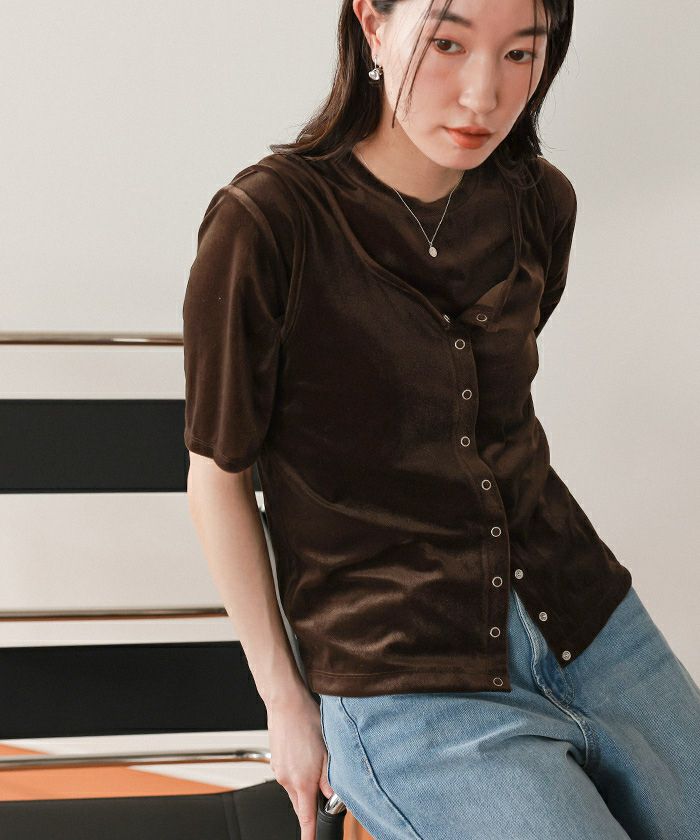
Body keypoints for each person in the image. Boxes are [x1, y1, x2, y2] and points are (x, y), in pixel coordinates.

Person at [182, 0, 700, 838]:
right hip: (405, 679)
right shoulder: (267, 225)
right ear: (372, 24)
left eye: (521, 53)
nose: (482, 96)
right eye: (448, 43)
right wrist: (285, 703)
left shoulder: (539, 203)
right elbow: (217, 479)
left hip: (591, 623)